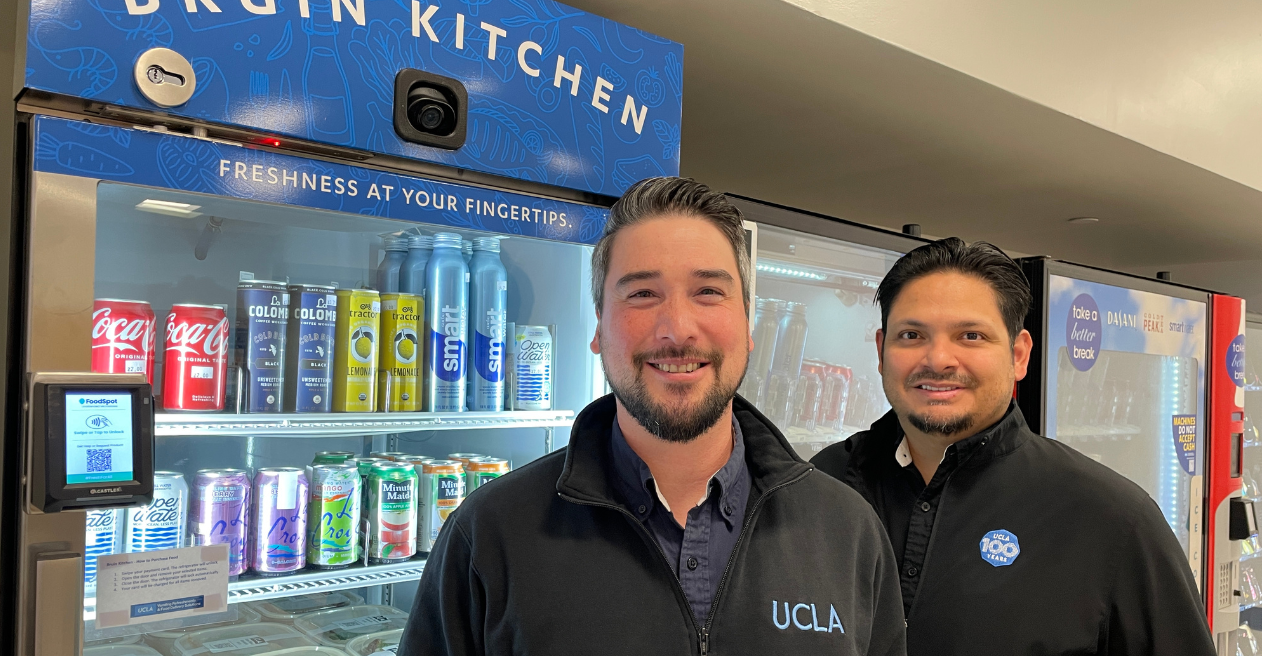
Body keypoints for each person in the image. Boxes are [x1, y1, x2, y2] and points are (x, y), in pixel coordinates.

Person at [402, 178, 906, 655]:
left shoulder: (848, 531)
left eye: (709, 291)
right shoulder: (490, 533)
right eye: (642, 293)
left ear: (747, 325)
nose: (677, 328)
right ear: (599, 326)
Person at [812, 237, 1214, 655]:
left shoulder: (1114, 520)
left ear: (1018, 355)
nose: (938, 359)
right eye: (911, 335)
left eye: (971, 335)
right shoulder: (817, 487)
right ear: (881, 351)